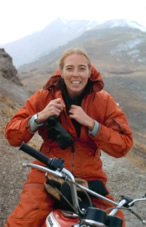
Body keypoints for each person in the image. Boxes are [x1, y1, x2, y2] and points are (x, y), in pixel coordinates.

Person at [5, 48, 133, 227]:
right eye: (70, 68)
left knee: (113, 220)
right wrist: (39, 117)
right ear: (61, 71)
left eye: (81, 68)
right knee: (24, 220)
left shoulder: (104, 102)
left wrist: (92, 124)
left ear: (90, 72)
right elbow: (12, 135)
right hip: (47, 171)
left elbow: (123, 146)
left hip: (89, 176)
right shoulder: (44, 97)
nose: (76, 74)